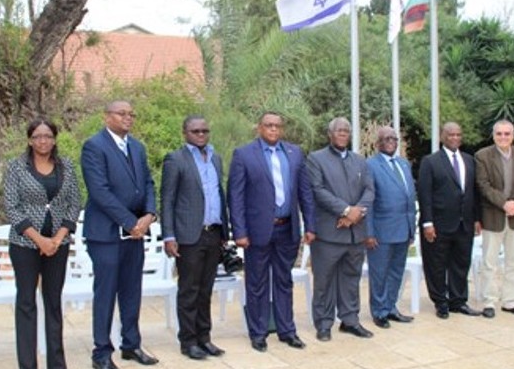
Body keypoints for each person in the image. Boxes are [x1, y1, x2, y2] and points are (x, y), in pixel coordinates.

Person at [227, 111, 315, 352]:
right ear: (259, 128)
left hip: (287, 229)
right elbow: (235, 197)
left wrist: (310, 225)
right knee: (257, 283)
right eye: (268, 125)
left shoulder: (295, 153)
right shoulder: (244, 155)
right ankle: (258, 332)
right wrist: (240, 232)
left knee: (284, 281)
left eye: (277, 126)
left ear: (282, 129)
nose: (273, 130)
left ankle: (287, 330)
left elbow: (305, 192)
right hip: (257, 232)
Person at [81, 100, 159, 369]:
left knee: (131, 291)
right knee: (106, 293)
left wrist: (149, 215)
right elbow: (100, 191)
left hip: (135, 235)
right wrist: (130, 222)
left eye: (131, 114)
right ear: (107, 117)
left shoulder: (137, 147)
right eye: (121, 113)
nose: (128, 118)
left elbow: (148, 182)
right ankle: (101, 353)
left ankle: (131, 345)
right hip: (106, 234)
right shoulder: (94, 146)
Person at [3, 118, 82, 369]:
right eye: (37, 136)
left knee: (53, 301)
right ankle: (27, 364)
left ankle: (57, 363)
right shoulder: (16, 167)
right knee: (26, 302)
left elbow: (74, 203)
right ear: (29, 140)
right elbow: (11, 207)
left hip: (58, 245)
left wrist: (57, 239)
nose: (43, 140)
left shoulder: (66, 166)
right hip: (25, 245)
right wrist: (39, 240)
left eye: (47, 135)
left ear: (55, 138)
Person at [160, 115, 229, 360]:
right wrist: (168, 235)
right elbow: (167, 199)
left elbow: (219, 195)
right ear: (185, 132)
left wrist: (225, 232)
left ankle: (204, 338)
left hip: (214, 233)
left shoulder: (215, 158)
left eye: (204, 130)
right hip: (189, 235)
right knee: (189, 290)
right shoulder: (175, 159)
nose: (201, 134)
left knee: (206, 290)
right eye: (195, 131)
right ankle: (188, 342)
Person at [305, 117, 374, 342]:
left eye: (346, 130)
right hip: (329, 234)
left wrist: (356, 214)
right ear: (330, 134)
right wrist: (345, 210)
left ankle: (350, 320)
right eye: (339, 131)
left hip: (355, 234)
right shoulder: (316, 159)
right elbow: (318, 190)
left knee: (351, 279)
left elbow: (369, 191)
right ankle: (324, 324)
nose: (343, 134)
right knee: (324, 281)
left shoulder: (360, 160)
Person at [417, 122, 483, 319]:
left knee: (461, 263)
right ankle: (441, 301)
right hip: (438, 223)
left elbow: (474, 193)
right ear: (442, 137)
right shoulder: (430, 161)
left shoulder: (469, 160)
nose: (455, 138)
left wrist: (477, 219)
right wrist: (427, 223)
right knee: (436, 264)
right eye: (450, 134)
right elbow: (424, 194)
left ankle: (458, 301)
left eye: (458, 134)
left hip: (465, 223)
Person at [475, 119, 514, 318]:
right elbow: (483, 185)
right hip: (493, 216)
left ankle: (511, 301)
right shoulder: (482, 156)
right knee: (489, 261)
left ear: (513, 135)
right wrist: (504, 204)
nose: (503, 137)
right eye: (499, 134)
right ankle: (489, 301)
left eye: (507, 134)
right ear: (493, 135)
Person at [365, 126, 416, 329]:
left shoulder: (404, 164)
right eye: (385, 138)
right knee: (379, 273)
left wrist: (411, 228)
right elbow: (367, 202)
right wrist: (368, 232)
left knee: (396, 271)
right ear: (377, 143)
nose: (390, 141)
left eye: (393, 138)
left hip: (403, 229)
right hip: (381, 231)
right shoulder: (370, 165)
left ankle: (391, 307)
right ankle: (379, 311)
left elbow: (409, 197)